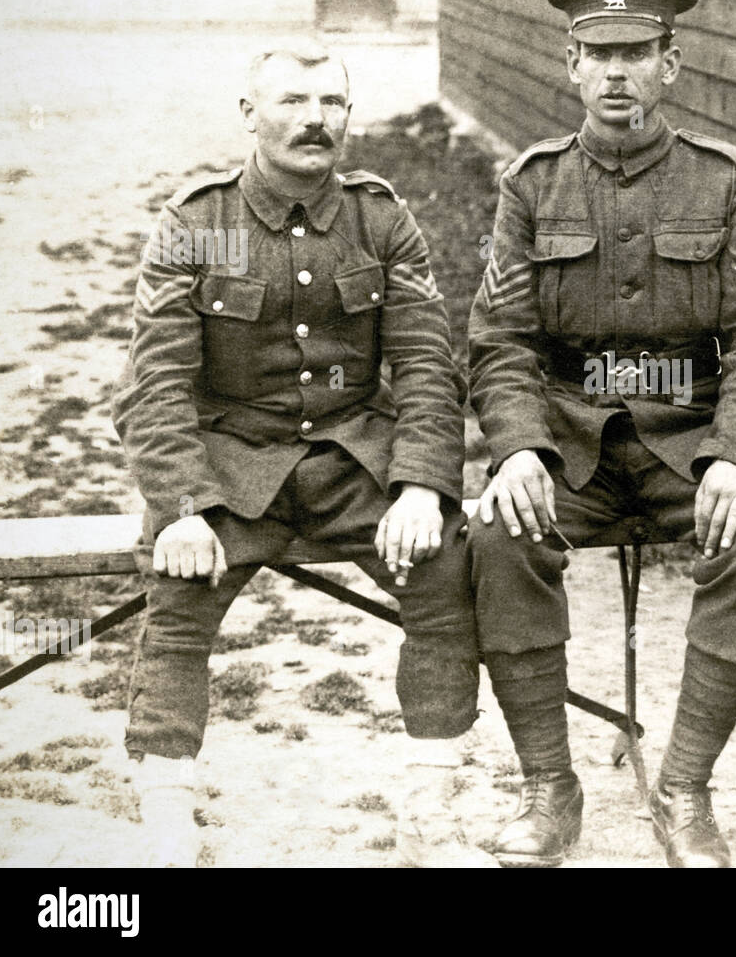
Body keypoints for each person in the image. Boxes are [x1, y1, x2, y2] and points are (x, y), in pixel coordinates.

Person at [112, 42, 492, 867]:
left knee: (444, 566)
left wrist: (424, 485)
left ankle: (431, 810)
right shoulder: (197, 224)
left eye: (332, 104)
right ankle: (168, 811)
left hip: (350, 460)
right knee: (178, 593)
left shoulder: (381, 219)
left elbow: (428, 365)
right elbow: (153, 384)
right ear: (250, 115)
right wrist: (181, 505)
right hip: (228, 463)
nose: (315, 120)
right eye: (292, 101)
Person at [467, 0, 736, 867]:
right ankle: (549, 787)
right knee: (498, 538)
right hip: (569, 444)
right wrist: (519, 449)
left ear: (670, 65)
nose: (618, 73)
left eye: (636, 54)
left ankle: (685, 786)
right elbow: (498, 341)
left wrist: (735, 454)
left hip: (690, 443)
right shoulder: (532, 185)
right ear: (571, 65)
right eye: (599, 55)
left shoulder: (724, 182)